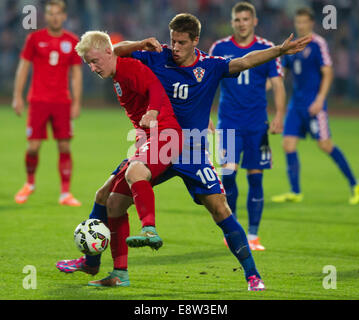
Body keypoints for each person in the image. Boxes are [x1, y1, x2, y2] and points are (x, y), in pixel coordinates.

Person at [58, 13, 310, 291]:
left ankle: (253, 275)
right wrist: (141, 43)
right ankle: (107, 268)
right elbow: (112, 52)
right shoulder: (157, 56)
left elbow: (246, 61)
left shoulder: (210, 66)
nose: (174, 47)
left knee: (219, 208)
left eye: (180, 43)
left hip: (191, 150)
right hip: (158, 143)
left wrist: (279, 50)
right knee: (110, 198)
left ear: (195, 41)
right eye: (172, 41)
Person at [56, 30, 183, 285]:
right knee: (107, 198)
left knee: (134, 172)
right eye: (88, 64)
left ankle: (149, 229)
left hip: (166, 135)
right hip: (149, 138)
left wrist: (153, 113)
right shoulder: (117, 76)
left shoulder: (127, 69)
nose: (92, 68)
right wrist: (140, 130)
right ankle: (114, 272)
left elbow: (155, 90)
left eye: (95, 61)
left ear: (108, 52)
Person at [209, 2, 286, 251]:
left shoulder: (267, 48)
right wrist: (203, 114)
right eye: (237, 19)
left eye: (245, 19)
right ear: (232, 22)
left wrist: (279, 115)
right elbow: (208, 81)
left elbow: (277, 84)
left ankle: (253, 236)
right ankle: (233, 228)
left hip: (257, 125)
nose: (242, 23)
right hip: (228, 123)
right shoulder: (220, 47)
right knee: (228, 174)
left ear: (254, 21)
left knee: (256, 178)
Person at [271, 7, 359, 205]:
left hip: (313, 103)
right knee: (288, 144)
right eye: (298, 22)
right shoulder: (293, 46)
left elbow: (327, 72)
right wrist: (267, 83)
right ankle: (295, 191)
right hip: (296, 104)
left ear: (311, 23)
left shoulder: (318, 44)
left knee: (325, 145)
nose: (300, 25)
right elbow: (281, 71)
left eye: (304, 22)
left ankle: (355, 183)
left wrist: (320, 99)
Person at [13, 0, 83, 206]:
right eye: (50, 13)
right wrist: (17, 95)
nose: (54, 17)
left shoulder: (72, 41)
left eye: (58, 13)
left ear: (64, 16)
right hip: (38, 101)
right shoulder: (34, 38)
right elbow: (23, 67)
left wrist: (77, 101)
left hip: (62, 102)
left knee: (64, 146)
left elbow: (76, 74)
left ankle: (65, 193)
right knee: (33, 147)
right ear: (45, 16)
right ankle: (29, 184)